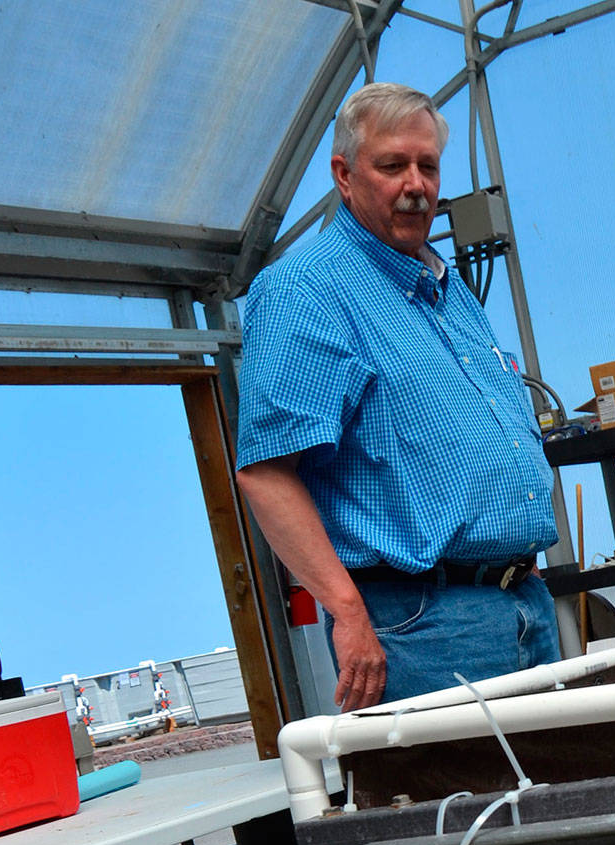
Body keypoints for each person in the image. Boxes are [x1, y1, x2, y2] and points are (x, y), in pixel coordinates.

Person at [236, 82, 560, 712]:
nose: (416, 184)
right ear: (345, 175)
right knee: (459, 809)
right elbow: (266, 475)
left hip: (520, 605)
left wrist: (514, 559)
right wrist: (349, 613)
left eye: (428, 166)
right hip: (418, 629)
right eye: (392, 166)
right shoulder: (306, 290)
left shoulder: (445, 282)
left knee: (554, 805)